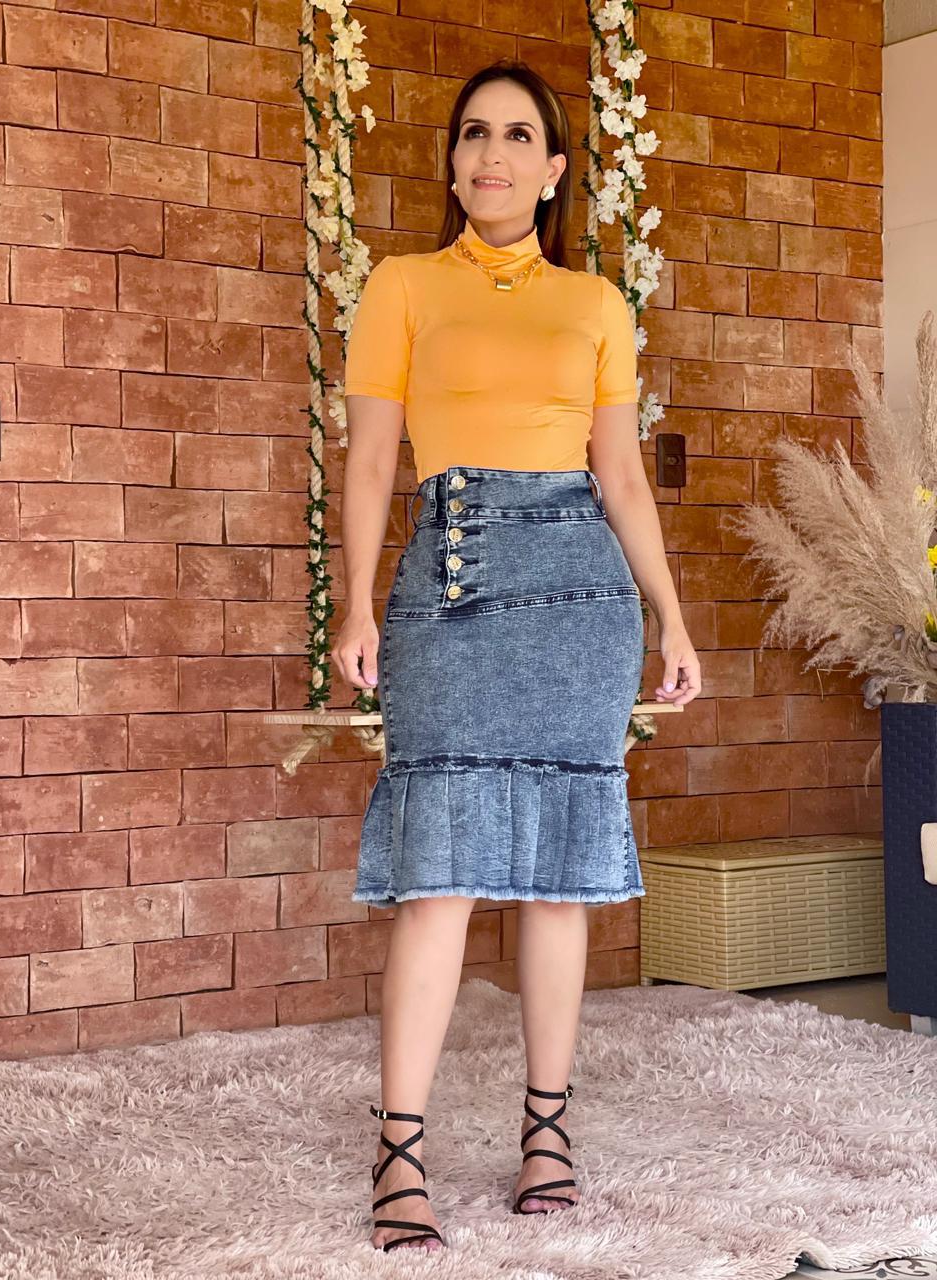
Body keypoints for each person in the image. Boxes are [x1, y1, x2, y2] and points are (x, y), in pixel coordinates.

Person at [333, 59, 701, 1254]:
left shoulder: (596, 304)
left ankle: (549, 1131)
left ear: (551, 172)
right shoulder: (400, 285)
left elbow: (622, 475)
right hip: (449, 586)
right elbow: (372, 461)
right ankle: (399, 1151)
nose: (490, 153)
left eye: (517, 136)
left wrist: (671, 615)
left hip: (581, 597)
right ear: (453, 162)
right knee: (438, 871)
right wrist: (355, 604)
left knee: (558, 870)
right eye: (473, 133)